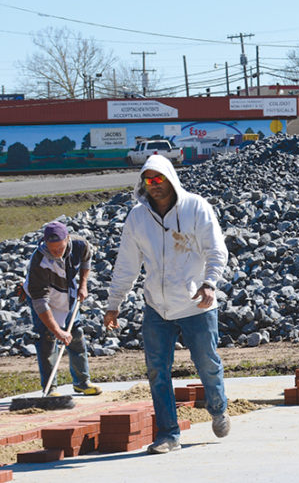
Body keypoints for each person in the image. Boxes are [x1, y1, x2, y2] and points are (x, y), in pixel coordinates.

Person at [104, 156, 230, 454]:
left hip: (196, 303)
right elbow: (127, 264)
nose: (154, 186)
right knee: (157, 371)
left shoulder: (196, 207)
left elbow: (216, 249)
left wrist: (210, 283)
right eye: (149, 180)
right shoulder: (137, 217)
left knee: (207, 365)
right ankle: (168, 434)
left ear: (171, 179)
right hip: (156, 307)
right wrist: (114, 303)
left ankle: (218, 407)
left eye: (159, 179)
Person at [25, 219, 100, 396]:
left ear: (67, 239)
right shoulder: (39, 262)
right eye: (53, 249)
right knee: (47, 338)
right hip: (44, 298)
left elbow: (86, 260)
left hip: (68, 292)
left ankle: (82, 382)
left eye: (60, 248)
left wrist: (83, 284)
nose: (57, 252)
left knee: (76, 334)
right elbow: (40, 303)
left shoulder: (80, 244)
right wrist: (57, 331)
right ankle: (50, 389)